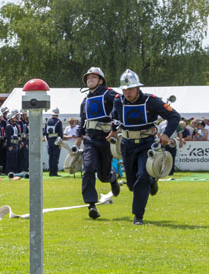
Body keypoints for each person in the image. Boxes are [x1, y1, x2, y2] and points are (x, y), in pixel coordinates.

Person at [110, 69, 179, 225]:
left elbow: (174, 116)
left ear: (138, 87)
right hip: (127, 145)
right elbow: (114, 117)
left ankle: (138, 216)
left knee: (142, 177)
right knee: (132, 183)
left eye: (131, 88)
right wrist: (113, 131)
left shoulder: (151, 101)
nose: (127, 92)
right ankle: (152, 180)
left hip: (146, 144)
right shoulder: (117, 101)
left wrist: (166, 134)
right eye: (125, 89)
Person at [76, 67, 121, 220]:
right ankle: (91, 205)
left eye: (93, 77)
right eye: (88, 78)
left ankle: (112, 177)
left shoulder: (109, 94)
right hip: (90, 140)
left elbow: (119, 105)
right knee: (88, 169)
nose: (90, 80)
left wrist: (115, 128)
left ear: (101, 80)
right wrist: (79, 135)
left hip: (106, 139)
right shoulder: (85, 100)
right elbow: (83, 120)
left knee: (103, 175)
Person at [45, 108, 64, 176]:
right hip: (56, 140)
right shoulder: (59, 122)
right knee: (55, 157)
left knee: (50, 157)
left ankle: (50, 172)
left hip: (50, 140)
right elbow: (60, 133)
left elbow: (45, 133)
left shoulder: (48, 121)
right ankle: (54, 173)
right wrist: (60, 144)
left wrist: (48, 140)